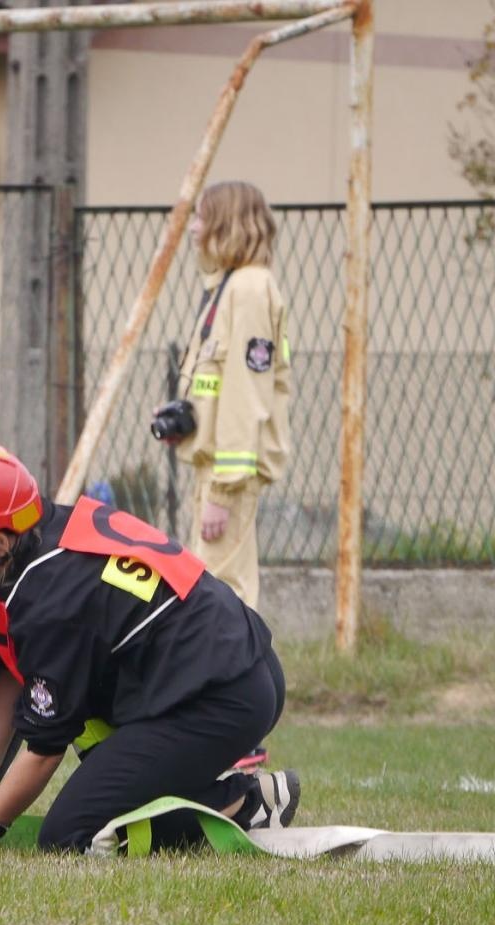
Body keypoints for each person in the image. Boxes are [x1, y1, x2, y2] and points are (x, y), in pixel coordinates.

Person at [0, 442, 300, 854]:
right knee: (102, 773)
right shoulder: (50, 532)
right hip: (239, 669)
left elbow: (44, 749)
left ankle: (243, 802)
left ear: (0, 543)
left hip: (221, 698)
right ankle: (217, 792)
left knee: (67, 834)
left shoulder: (46, 600)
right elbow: (16, 669)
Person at [161, 180, 291, 610]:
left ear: (225, 225)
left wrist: (223, 493)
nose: (194, 229)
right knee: (210, 592)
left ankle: (231, 679)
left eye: (202, 218)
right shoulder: (230, 286)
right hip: (213, 470)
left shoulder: (249, 290)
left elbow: (246, 396)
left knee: (222, 597)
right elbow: (217, 387)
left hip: (226, 479)